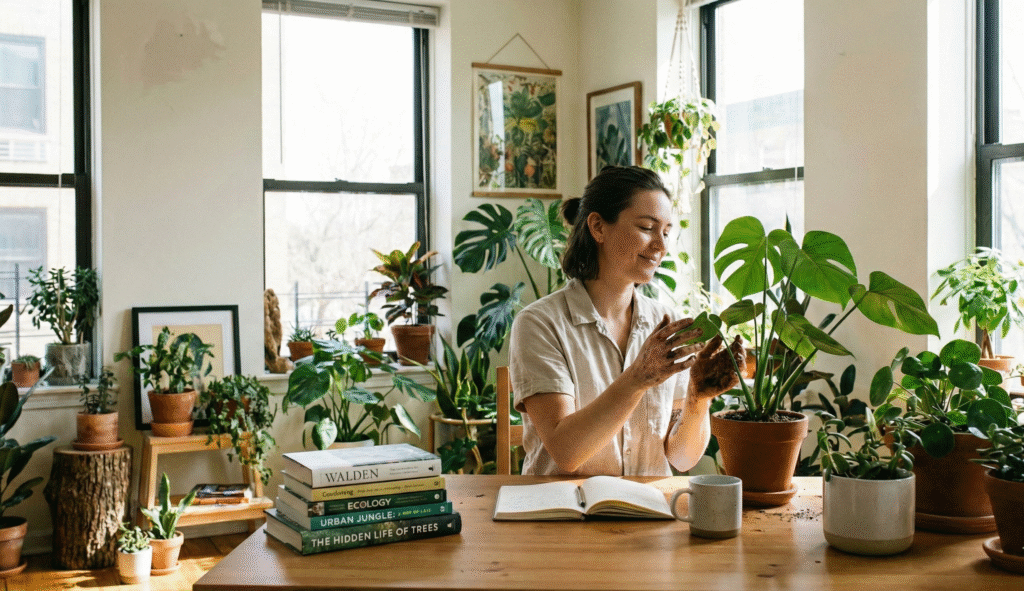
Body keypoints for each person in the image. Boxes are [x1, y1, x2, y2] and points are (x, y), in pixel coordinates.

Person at [508, 165, 745, 476]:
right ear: (598, 227)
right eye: (647, 228)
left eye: (666, 232)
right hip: (563, 514)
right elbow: (566, 453)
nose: (661, 246)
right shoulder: (539, 324)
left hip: (647, 514)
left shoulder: (668, 323)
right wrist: (638, 377)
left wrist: (698, 397)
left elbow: (682, 459)